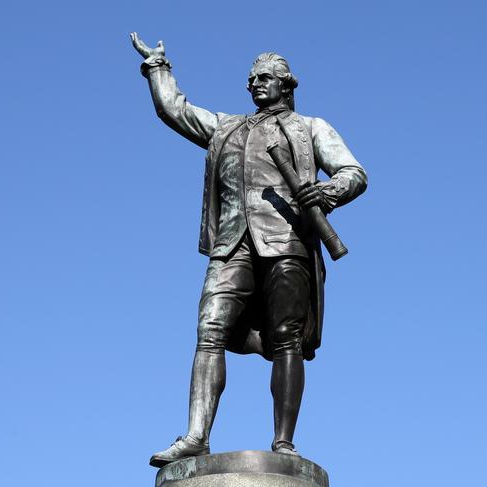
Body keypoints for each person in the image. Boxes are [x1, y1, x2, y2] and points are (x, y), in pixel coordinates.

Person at [130, 33, 367, 467]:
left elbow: (354, 172)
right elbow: (174, 110)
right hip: (232, 242)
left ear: (286, 85)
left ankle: (283, 443)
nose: (255, 84)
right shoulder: (227, 126)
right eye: (251, 79)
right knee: (209, 329)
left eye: (265, 78)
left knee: (287, 339)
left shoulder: (312, 127)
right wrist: (158, 67)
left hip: (287, 241)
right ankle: (195, 436)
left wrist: (327, 192)